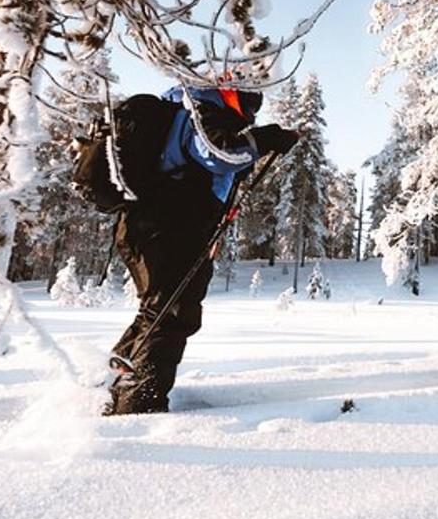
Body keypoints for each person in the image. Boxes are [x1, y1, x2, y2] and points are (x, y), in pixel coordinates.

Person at [105, 86, 298, 415]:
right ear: (232, 90)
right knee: (173, 312)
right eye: (251, 98)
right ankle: (139, 405)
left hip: (161, 225)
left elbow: (220, 164)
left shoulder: (197, 111)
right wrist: (264, 139)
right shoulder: (201, 109)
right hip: (164, 225)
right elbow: (220, 155)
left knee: (160, 310)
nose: (254, 108)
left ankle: (113, 383)